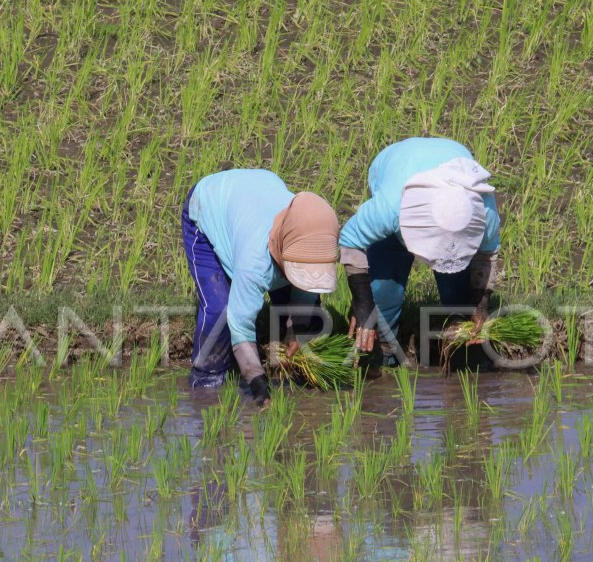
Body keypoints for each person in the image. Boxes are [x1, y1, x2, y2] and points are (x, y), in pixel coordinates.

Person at [182, 169, 340, 404]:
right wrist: (256, 382)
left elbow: (310, 284)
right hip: (208, 205)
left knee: (306, 317)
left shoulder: (312, 238)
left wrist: (298, 328)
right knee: (220, 310)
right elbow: (241, 325)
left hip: (261, 190)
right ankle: (205, 384)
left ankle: (286, 364)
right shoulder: (254, 262)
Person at [339, 138, 500, 359]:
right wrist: (363, 303)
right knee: (383, 295)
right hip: (396, 162)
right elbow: (350, 240)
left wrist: (480, 304)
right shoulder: (390, 208)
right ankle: (384, 355)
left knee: (458, 297)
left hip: (451, 159)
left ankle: (460, 352)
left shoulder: (482, 210)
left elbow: (486, 254)